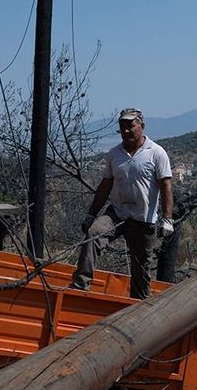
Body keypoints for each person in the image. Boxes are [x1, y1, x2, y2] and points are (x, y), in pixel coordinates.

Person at [71, 107, 174, 299]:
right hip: (116, 213)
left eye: (130, 126)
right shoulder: (114, 154)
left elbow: (166, 187)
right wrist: (91, 214)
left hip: (143, 220)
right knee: (93, 235)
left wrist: (167, 219)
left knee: (141, 268)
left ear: (141, 126)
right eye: (122, 127)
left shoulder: (156, 153)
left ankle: (139, 306)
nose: (126, 131)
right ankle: (80, 285)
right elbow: (105, 186)